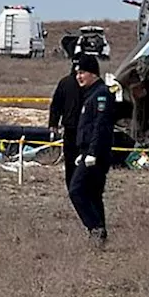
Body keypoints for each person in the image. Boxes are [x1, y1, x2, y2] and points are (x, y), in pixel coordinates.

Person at [70, 55, 115, 248]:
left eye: (82, 73)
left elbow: (100, 126)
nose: (79, 77)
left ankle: (95, 228)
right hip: (88, 151)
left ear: (93, 73)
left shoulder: (101, 94)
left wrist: (93, 152)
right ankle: (100, 234)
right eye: (77, 73)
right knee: (93, 194)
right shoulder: (90, 94)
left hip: (96, 154)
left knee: (76, 190)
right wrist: (83, 150)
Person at [49, 58, 84, 189]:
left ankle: (75, 185)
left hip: (79, 128)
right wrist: (53, 123)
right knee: (71, 160)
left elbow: (55, 106)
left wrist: (53, 124)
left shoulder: (67, 83)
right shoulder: (65, 83)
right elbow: (56, 105)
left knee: (75, 160)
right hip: (71, 128)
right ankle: (73, 185)